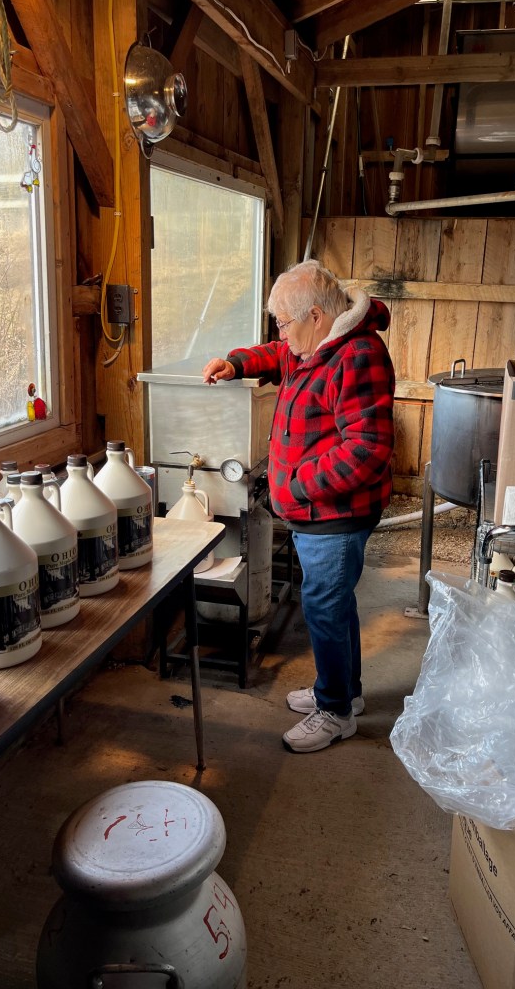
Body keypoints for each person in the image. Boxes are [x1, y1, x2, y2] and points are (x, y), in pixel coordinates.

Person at [203, 259, 395, 753]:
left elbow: (368, 449)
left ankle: (335, 712)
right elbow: (276, 354)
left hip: (336, 515)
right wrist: (237, 363)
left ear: (315, 315)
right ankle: (345, 690)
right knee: (335, 603)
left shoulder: (357, 356)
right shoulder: (314, 345)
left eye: (284, 323)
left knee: (324, 607)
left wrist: (294, 485)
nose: (281, 334)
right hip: (318, 511)